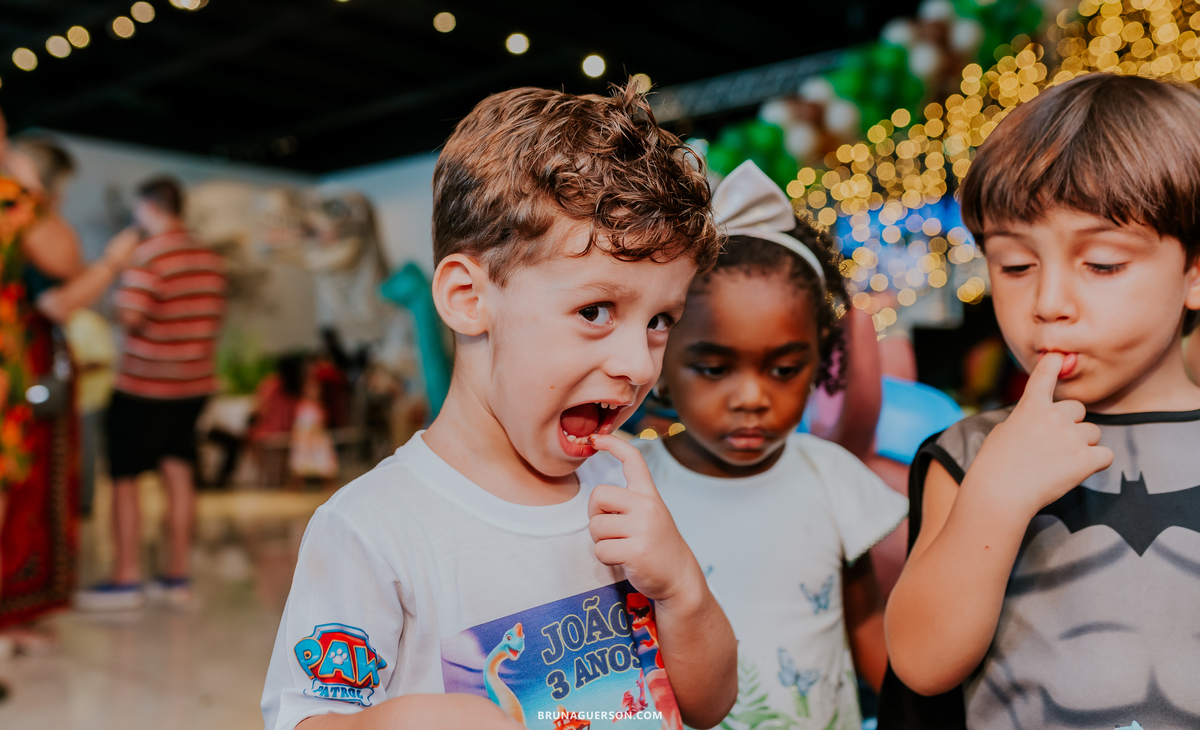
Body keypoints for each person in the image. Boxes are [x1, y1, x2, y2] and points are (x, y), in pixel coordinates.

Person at [261, 81, 738, 730]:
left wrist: (682, 586)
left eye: (660, 320)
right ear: (467, 297)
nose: (639, 364)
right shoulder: (371, 530)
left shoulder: (620, 493)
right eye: (597, 311)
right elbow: (307, 720)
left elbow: (709, 705)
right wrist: (402, 723)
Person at [881, 73, 1200, 729]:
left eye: (1104, 263)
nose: (1049, 303)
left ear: (1195, 271)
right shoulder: (967, 453)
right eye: (1016, 266)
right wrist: (993, 497)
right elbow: (920, 660)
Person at [636, 161, 907, 730]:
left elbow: (865, 625)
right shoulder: (635, 489)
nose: (752, 398)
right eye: (713, 368)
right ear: (661, 364)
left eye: (783, 369)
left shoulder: (831, 476)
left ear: (819, 363)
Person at [0, 137, 138, 640]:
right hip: (20, 374)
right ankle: (12, 610)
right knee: (21, 490)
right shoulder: (21, 213)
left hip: (29, 372)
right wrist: (112, 263)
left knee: (36, 492)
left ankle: (22, 608)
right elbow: (63, 290)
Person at [76, 176, 226, 610]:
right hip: (194, 386)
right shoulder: (209, 258)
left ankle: (126, 578)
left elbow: (131, 315)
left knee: (124, 478)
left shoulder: (147, 254)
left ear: (149, 208)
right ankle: (176, 575)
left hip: (143, 386)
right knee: (178, 471)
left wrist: (107, 296)